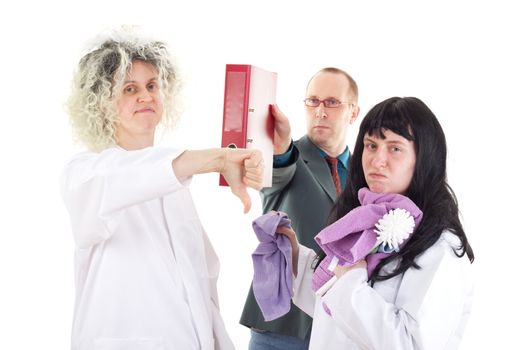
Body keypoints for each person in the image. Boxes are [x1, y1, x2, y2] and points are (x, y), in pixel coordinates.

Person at [61, 30, 263, 350]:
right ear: (100, 102)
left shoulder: (175, 187)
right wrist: (220, 158)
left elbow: (203, 284)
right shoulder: (86, 173)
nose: (146, 96)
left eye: (152, 85)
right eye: (130, 89)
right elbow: (134, 174)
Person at [277, 97, 475, 349]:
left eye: (395, 148)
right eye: (371, 145)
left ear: (424, 159)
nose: (377, 160)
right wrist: (294, 259)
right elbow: (334, 310)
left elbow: (409, 343)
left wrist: (350, 281)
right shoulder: (363, 221)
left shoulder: (441, 246)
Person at [240, 67, 360, 349]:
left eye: (332, 102)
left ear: (353, 112)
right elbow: (275, 174)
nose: (320, 111)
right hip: (280, 328)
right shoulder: (287, 157)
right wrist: (280, 150)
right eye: (313, 101)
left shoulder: (365, 174)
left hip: (339, 327)